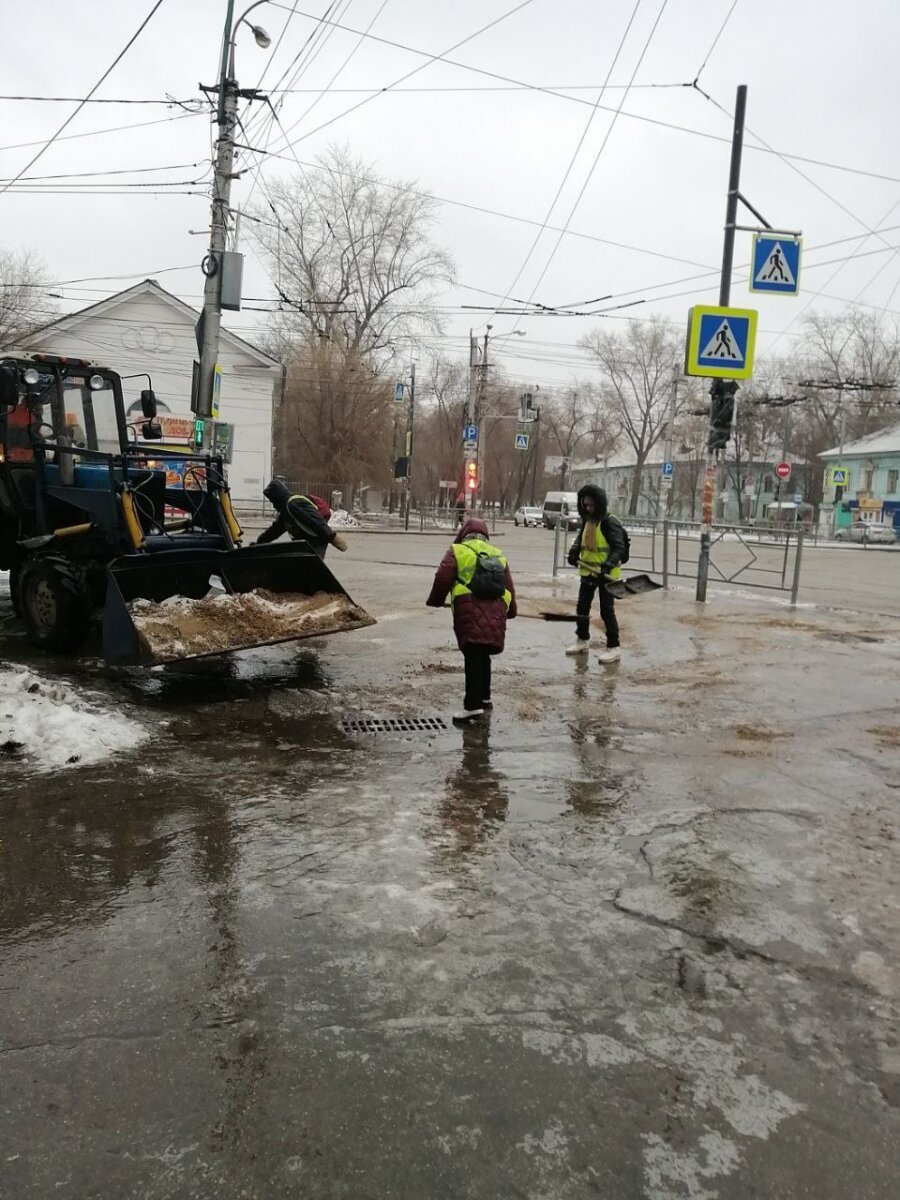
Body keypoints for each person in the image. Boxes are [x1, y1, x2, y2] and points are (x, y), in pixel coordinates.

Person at [426, 517, 517, 724]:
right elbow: (509, 587)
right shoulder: (498, 554)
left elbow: (442, 578)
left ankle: (473, 706)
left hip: (469, 610)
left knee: (473, 656)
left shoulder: (458, 550)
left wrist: (435, 601)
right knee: (484, 655)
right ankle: (484, 699)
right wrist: (510, 611)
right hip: (495, 613)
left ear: (464, 533)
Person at [565, 484, 625, 664]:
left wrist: (608, 564)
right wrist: (574, 552)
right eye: (585, 505)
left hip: (606, 575)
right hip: (588, 573)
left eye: (591, 505)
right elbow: (580, 540)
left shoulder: (609, 522)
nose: (588, 509)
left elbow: (618, 547)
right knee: (582, 608)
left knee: (607, 611)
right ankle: (582, 640)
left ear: (599, 504)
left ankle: (614, 647)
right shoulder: (587, 521)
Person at [255, 479, 348, 557]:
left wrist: (333, 538)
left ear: (277, 498)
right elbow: (275, 530)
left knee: (309, 569)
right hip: (307, 544)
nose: (273, 505)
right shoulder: (285, 511)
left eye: (273, 501)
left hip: (316, 542)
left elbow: (316, 521)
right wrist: (259, 544)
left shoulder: (294, 504)